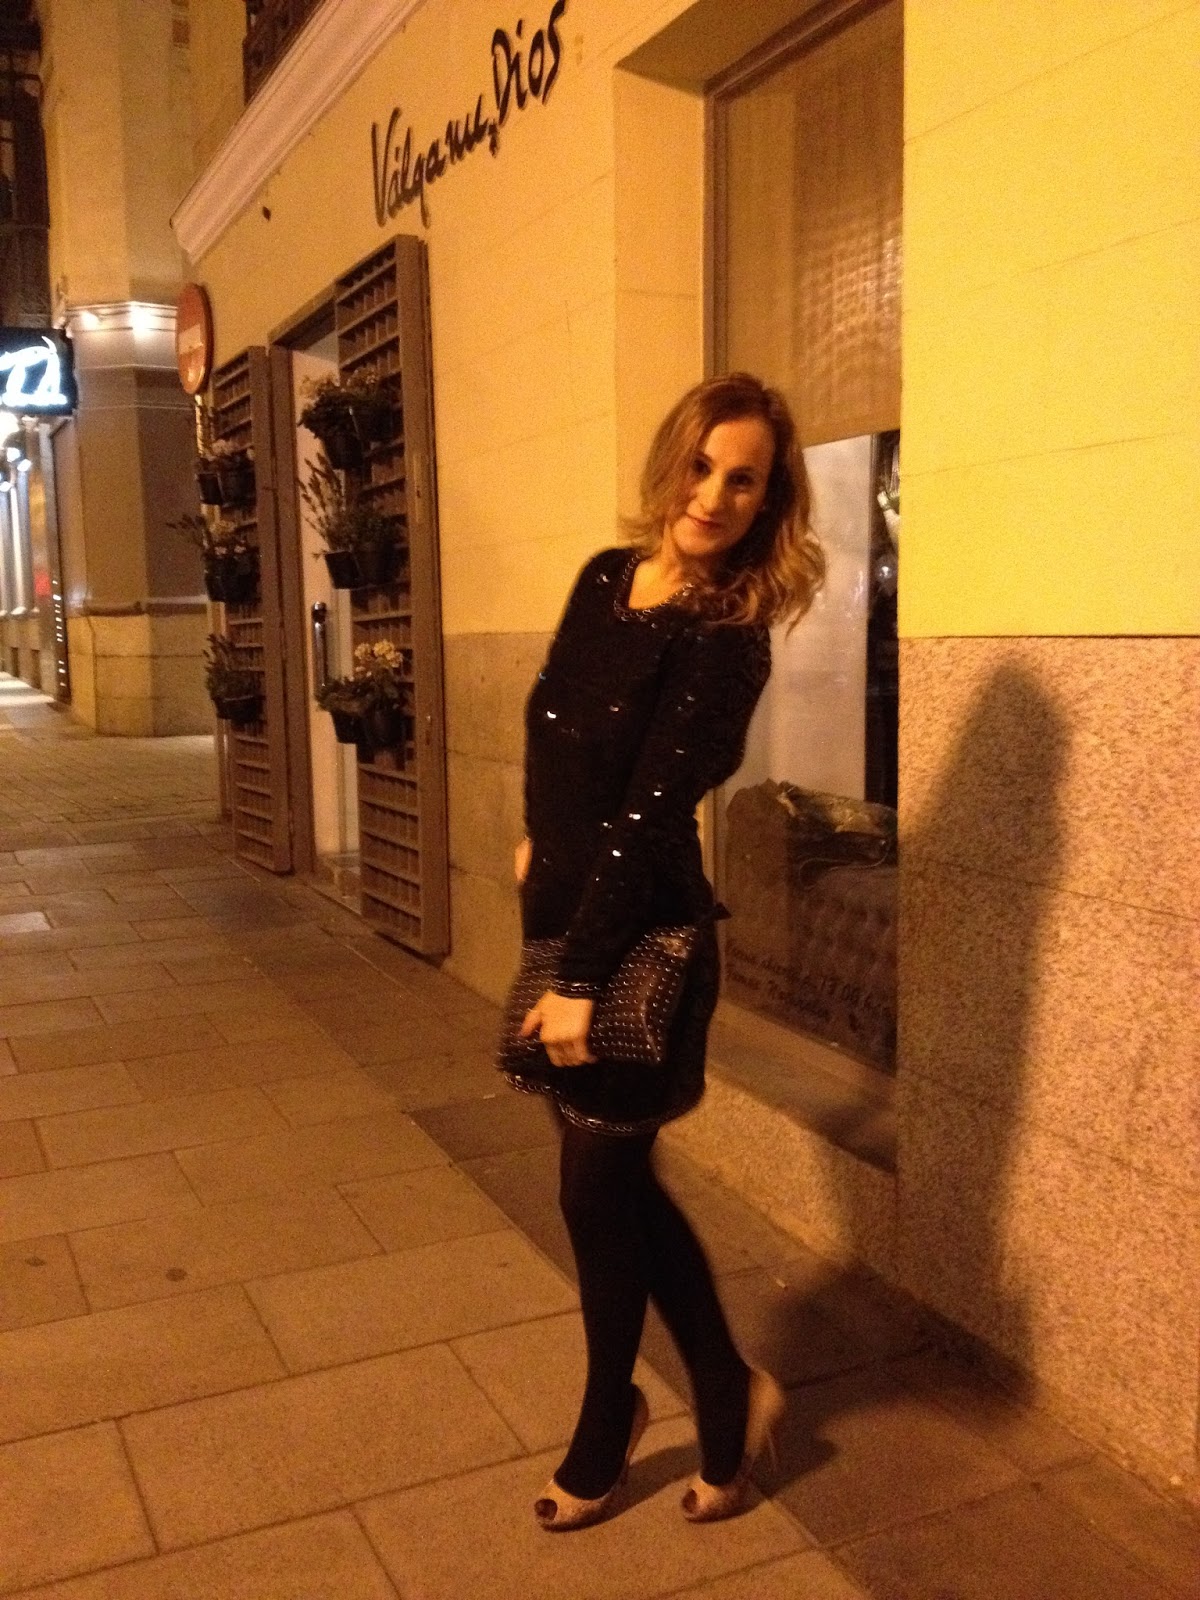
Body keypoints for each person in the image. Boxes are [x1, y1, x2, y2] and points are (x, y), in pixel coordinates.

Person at [506, 372, 824, 1531]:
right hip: (563, 914)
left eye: (744, 480)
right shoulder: (605, 576)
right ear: (672, 459)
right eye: (702, 465)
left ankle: (610, 1419)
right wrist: (537, 834)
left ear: (768, 500)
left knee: (593, 1189)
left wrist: (583, 980)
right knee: (618, 1189)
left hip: (642, 946)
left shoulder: (727, 634)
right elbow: (550, 717)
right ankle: (731, 1392)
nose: (714, 494)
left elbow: (650, 813)